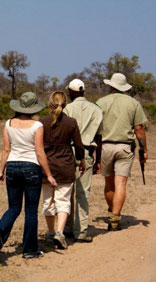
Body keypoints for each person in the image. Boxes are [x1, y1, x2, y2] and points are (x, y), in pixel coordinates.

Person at [0, 92, 57, 259]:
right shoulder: (37, 125)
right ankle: (29, 249)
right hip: (31, 167)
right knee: (31, 211)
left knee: (13, 208)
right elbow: (40, 152)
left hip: (12, 166)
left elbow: (6, 149)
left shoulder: (8, 123)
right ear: (34, 108)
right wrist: (48, 174)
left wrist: (0, 171)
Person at [96, 73, 148, 231]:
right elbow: (139, 128)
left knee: (109, 183)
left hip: (105, 146)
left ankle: (112, 212)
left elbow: (96, 128)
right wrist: (144, 150)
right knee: (121, 183)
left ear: (111, 86)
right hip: (125, 147)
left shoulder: (100, 102)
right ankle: (115, 219)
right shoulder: (133, 103)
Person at [40, 91, 85, 250]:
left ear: (49, 103)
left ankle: (51, 232)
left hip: (47, 167)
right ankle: (60, 232)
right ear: (65, 104)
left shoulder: (42, 122)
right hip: (65, 165)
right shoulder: (71, 122)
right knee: (63, 201)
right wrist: (81, 160)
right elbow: (79, 146)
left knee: (47, 201)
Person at [63, 79, 103, 243]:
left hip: (68, 151)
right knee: (83, 192)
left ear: (72, 92)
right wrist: (98, 159)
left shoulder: (67, 108)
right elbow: (99, 137)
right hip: (86, 152)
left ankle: (67, 228)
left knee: (67, 190)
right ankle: (81, 231)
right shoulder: (96, 109)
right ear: (83, 91)